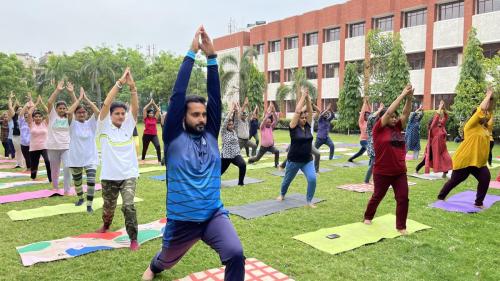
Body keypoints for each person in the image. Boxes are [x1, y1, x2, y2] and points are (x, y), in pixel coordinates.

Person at [143, 27, 245, 281]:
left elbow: (215, 97)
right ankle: (154, 267)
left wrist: (212, 59)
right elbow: (177, 96)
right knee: (165, 260)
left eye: (203, 114)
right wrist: (191, 54)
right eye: (195, 114)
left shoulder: (211, 134)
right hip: (182, 221)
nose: (201, 118)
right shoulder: (173, 138)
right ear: (183, 117)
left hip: (213, 215)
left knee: (235, 253)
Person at [95, 67, 140, 251]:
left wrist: (133, 88)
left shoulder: (129, 125)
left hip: (128, 174)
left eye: (123, 113)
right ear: (110, 116)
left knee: (128, 206)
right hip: (109, 176)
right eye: (117, 113)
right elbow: (106, 104)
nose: (121, 116)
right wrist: (119, 83)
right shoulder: (103, 127)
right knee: (109, 206)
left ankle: (133, 239)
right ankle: (106, 224)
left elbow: (135, 107)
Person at [363, 85, 413, 234]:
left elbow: (405, 113)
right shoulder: (378, 129)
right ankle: (368, 216)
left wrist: (409, 99)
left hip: (399, 172)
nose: (394, 118)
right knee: (378, 196)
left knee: (403, 198)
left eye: (395, 117)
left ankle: (401, 227)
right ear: (383, 118)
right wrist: (402, 94)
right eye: (391, 117)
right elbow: (390, 110)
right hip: (382, 172)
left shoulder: (398, 127)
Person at [437, 88, 495, 208]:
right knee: (455, 181)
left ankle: (478, 203)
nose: (485, 115)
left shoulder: (485, 128)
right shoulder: (470, 125)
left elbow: (488, 112)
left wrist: (491, 101)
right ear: (476, 115)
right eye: (482, 114)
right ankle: (441, 196)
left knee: (485, 178)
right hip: (465, 159)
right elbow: (482, 109)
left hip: (478, 162)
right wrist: (488, 95)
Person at [277, 88, 317, 208]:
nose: (304, 119)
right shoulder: (293, 127)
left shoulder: (308, 126)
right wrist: (303, 96)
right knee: (287, 180)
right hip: (294, 160)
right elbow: (298, 110)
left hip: (307, 160)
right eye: (302, 118)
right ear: (297, 118)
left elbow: (310, 112)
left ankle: (309, 200)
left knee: (312, 179)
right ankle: (282, 194)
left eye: (305, 118)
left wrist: (308, 100)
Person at [66, 87, 100, 213]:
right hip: (75, 157)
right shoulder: (73, 124)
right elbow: (69, 112)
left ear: (86, 114)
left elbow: (98, 112)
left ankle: (89, 205)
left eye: (83, 112)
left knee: (91, 182)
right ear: (76, 115)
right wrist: (78, 98)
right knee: (78, 181)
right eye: (79, 112)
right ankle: (80, 198)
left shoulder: (91, 124)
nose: (81, 114)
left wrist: (86, 99)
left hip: (90, 157)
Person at [45, 80, 77, 194]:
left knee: (68, 167)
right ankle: (55, 186)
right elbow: (49, 102)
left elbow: (76, 104)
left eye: (64, 108)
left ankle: (67, 190)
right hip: (53, 146)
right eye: (60, 108)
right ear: (56, 109)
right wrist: (57, 90)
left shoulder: (69, 117)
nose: (62, 110)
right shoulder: (52, 115)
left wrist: (72, 93)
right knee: (54, 168)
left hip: (66, 146)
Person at [416, 100, 452, 177]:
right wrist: (439, 107)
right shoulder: (432, 126)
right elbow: (436, 117)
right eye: (438, 119)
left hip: (442, 147)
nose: (439, 120)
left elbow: (446, 116)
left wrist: (444, 108)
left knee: (446, 158)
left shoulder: (441, 125)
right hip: (433, 147)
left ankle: (444, 173)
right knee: (427, 160)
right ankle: (417, 168)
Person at [27, 95, 52, 182]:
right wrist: (36, 103)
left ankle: (51, 179)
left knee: (48, 161)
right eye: (36, 117)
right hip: (34, 147)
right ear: (33, 118)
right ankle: (33, 177)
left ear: (42, 117)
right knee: (34, 164)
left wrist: (41, 103)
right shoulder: (31, 124)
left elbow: (49, 112)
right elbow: (29, 113)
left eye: (39, 116)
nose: (38, 118)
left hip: (45, 146)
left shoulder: (45, 123)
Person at [221, 102, 247, 186]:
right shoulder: (223, 132)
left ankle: (241, 183)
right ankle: (211, 181)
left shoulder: (234, 130)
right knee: (219, 172)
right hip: (226, 156)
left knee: (242, 165)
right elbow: (225, 122)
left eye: (231, 124)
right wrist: (231, 110)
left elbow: (236, 121)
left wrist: (236, 111)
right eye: (229, 125)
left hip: (236, 155)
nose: (231, 126)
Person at [248, 102, 280, 167]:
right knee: (257, 158)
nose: (269, 123)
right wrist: (268, 114)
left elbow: (276, 120)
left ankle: (276, 164)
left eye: (270, 122)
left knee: (277, 151)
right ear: (265, 123)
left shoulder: (271, 127)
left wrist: (273, 112)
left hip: (270, 147)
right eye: (268, 122)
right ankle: (250, 159)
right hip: (263, 148)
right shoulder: (262, 127)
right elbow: (264, 120)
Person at [364, 103, 384, 184]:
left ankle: (374, 179)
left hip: (377, 147)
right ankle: (366, 180)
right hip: (372, 147)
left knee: (374, 164)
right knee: (373, 164)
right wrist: (380, 110)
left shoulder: (376, 125)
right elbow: (371, 117)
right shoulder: (370, 125)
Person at [348, 97, 372, 162]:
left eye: (368, 115)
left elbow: (371, 112)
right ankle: (372, 162)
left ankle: (350, 159)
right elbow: (362, 113)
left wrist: (368, 102)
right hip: (363, 140)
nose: (368, 116)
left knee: (360, 153)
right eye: (366, 115)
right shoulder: (361, 122)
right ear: (364, 116)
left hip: (369, 140)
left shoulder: (370, 122)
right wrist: (364, 103)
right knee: (370, 150)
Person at [141, 98, 162, 164]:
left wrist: (154, 103)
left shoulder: (155, 118)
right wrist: (150, 103)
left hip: (154, 135)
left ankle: (159, 160)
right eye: (150, 113)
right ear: (148, 114)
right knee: (145, 148)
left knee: (158, 146)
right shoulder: (145, 118)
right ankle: (143, 159)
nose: (151, 114)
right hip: (146, 135)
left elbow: (158, 110)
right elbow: (144, 109)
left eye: (152, 113)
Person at [7, 93, 24, 168]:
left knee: (24, 150)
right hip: (15, 135)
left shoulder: (26, 116)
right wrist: (10, 98)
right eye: (19, 109)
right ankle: (18, 164)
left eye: (21, 109)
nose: (20, 110)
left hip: (23, 136)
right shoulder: (15, 116)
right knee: (17, 150)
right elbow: (10, 107)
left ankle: (25, 163)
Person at [18, 98, 32, 172]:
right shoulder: (21, 123)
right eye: (25, 116)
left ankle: (32, 168)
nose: (27, 117)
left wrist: (30, 102)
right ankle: (28, 168)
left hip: (31, 143)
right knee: (26, 156)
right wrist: (26, 105)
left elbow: (32, 111)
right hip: (23, 143)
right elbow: (20, 114)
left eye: (28, 116)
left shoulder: (32, 123)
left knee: (31, 156)